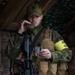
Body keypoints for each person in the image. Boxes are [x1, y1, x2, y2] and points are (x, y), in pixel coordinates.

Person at [5, 3, 72, 75]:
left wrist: (52, 55)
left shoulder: (52, 34)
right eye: (31, 16)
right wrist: (20, 33)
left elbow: (68, 54)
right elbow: (10, 55)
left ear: (41, 17)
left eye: (36, 16)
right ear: (27, 17)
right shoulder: (20, 35)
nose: (34, 19)